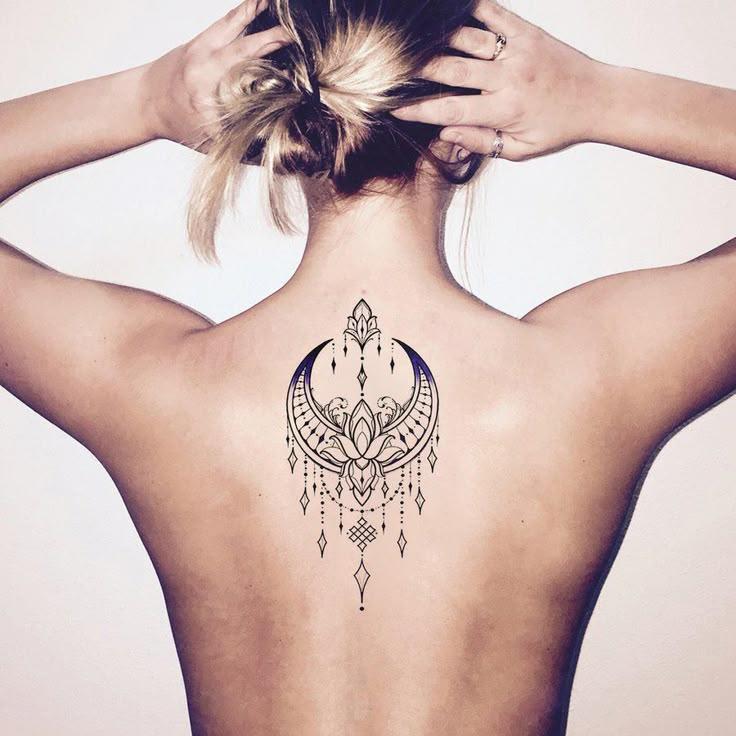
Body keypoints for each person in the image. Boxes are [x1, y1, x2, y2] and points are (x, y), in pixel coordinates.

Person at [1, 0, 734, 734]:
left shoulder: (161, 388)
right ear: (464, 142)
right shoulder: (585, 380)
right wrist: (603, 97)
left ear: (287, 133)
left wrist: (143, 101)